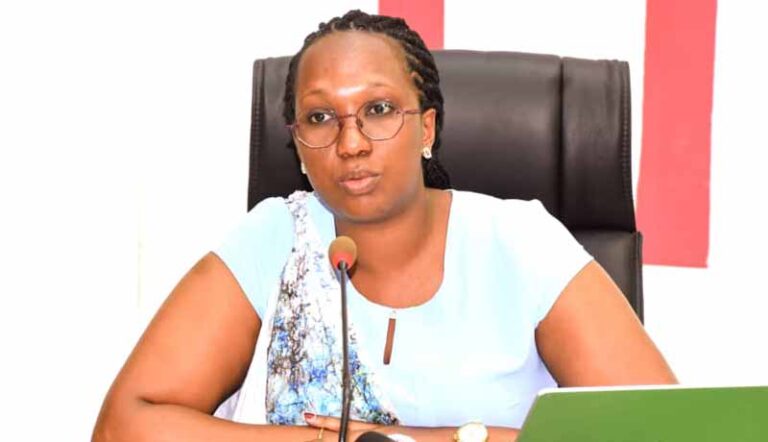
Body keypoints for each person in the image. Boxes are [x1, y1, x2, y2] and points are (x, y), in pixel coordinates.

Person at [92, 9, 676, 442]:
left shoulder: (520, 244)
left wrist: (408, 441)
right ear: (298, 146)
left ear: (427, 128)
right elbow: (124, 425)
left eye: (377, 110)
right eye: (321, 117)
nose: (350, 143)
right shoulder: (274, 239)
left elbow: (664, 431)